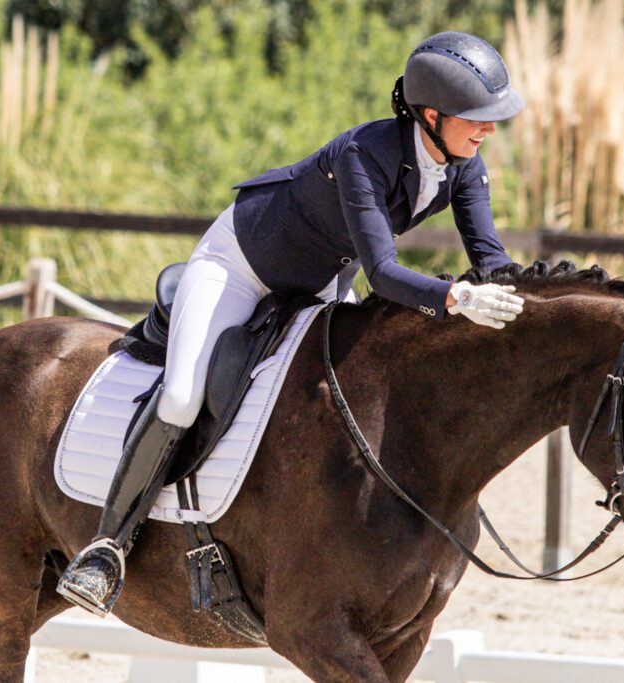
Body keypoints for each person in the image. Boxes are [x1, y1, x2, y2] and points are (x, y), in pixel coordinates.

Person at [57, 31, 527, 616]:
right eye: (475, 119)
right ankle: (106, 548)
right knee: (181, 397)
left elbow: (491, 259)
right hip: (241, 266)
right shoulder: (363, 155)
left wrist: (533, 306)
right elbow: (383, 274)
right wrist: (455, 299)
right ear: (431, 116)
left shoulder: (463, 162)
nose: (487, 131)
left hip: (321, 280)